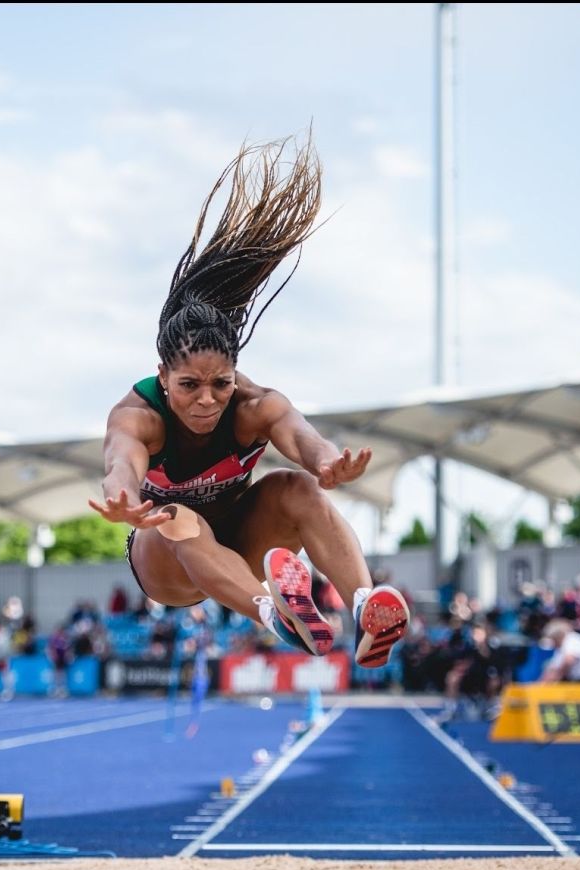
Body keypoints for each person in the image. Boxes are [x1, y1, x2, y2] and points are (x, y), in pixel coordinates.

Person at [89, 134, 409, 668]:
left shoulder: (254, 405)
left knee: (296, 486)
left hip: (239, 546)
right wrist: (121, 494)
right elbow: (121, 461)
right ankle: (273, 613)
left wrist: (327, 461)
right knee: (175, 516)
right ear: (163, 374)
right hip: (167, 564)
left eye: (221, 383)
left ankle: (364, 605)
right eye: (190, 386)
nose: (208, 401)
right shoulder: (139, 416)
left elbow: (302, 436)